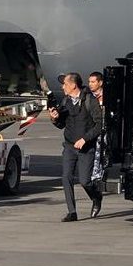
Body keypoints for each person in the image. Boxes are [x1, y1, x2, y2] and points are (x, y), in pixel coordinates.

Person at [50, 72, 103, 222]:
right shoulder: (65, 101)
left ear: (73, 85)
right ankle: (72, 212)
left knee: (85, 181)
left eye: (65, 84)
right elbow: (61, 125)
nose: (63, 87)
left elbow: (99, 125)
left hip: (86, 148)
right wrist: (54, 119)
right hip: (69, 146)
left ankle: (96, 196)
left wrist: (85, 139)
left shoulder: (89, 101)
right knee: (66, 177)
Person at [88, 71, 108, 211]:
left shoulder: (107, 98)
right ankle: (96, 194)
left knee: (101, 162)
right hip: (91, 134)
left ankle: (97, 190)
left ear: (100, 83)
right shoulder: (88, 98)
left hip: (104, 135)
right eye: (89, 82)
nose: (90, 84)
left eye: (93, 82)